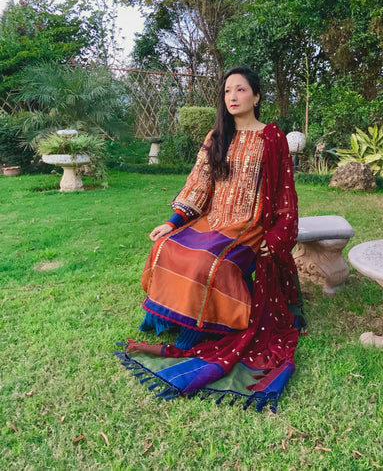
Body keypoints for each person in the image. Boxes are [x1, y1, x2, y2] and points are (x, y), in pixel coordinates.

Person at [117, 66, 305, 412]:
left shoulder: (272, 138)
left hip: (248, 225)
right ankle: (165, 320)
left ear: (257, 96)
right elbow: (200, 184)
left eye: (241, 90)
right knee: (166, 246)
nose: (232, 96)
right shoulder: (216, 136)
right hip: (212, 218)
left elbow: (284, 195)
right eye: (227, 91)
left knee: (208, 261)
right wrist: (173, 222)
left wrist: (275, 236)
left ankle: (199, 331)